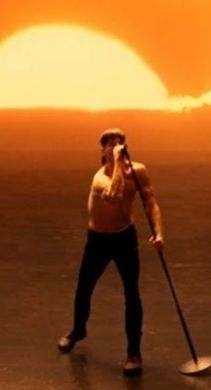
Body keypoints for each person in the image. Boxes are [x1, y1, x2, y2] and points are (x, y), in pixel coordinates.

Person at [57, 128, 164, 376]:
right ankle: (78, 330)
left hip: (124, 237)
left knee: (132, 294)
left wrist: (158, 233)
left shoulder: (138, 171)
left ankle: (134, 352)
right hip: (98, 240)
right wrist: (116, 161)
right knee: (84, 288)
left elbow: (150, 201)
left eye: (120, 142)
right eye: (111, 144)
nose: (117, 146)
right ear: (103, 150)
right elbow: (114, 195)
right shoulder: (100, 178)